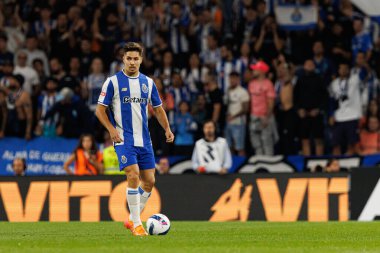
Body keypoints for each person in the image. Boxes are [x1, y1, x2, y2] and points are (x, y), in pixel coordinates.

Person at [95, 42, 174, 236]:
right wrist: (111, 129)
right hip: (123, 138)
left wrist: (167, 129)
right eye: (128, 58)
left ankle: (131, 219)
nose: (132, 62)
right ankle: (138, 224)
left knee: (149, 181)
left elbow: (157, 109)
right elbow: (100, 110)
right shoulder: (112, 82)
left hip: (144, 140)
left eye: (135, 59)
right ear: (123, 59)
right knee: (133, 175)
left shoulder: (148, 83)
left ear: (141, 60)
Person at [329, 63, 362, 155]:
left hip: (353, 116)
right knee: (335, 144)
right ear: (338, 70)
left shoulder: (354, 79)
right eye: (341, 68)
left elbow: (364, 72)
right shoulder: (334, 84)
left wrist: (361, 62)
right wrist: (331, 115)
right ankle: (336, 166)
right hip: (338, 117)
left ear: (349, 70)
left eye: (346, 68)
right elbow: (331, 101)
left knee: (352, 144)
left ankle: (351, 164)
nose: (343, 70)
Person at [248, 60, 277, 155]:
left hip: (264, 117)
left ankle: (269, 167)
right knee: (256, 144)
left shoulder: (268, 84)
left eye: (255, 69)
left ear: (262, 71)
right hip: (254, 117)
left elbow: (271, 102)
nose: (253, 71)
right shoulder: (251, 83)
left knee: (267, 143)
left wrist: (266, 117)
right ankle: (259, 165)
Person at [225, 71, 249, 156]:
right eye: (230, 78)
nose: (232, 80)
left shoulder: (242, 91)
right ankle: (232, 167)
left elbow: (245, 109)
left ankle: (241, 167)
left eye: (234, 78)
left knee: (239, 147)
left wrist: (234, 116)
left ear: (238, 79)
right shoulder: (228, 91)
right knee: (229, 146)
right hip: (229, 122)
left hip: (239, 123)